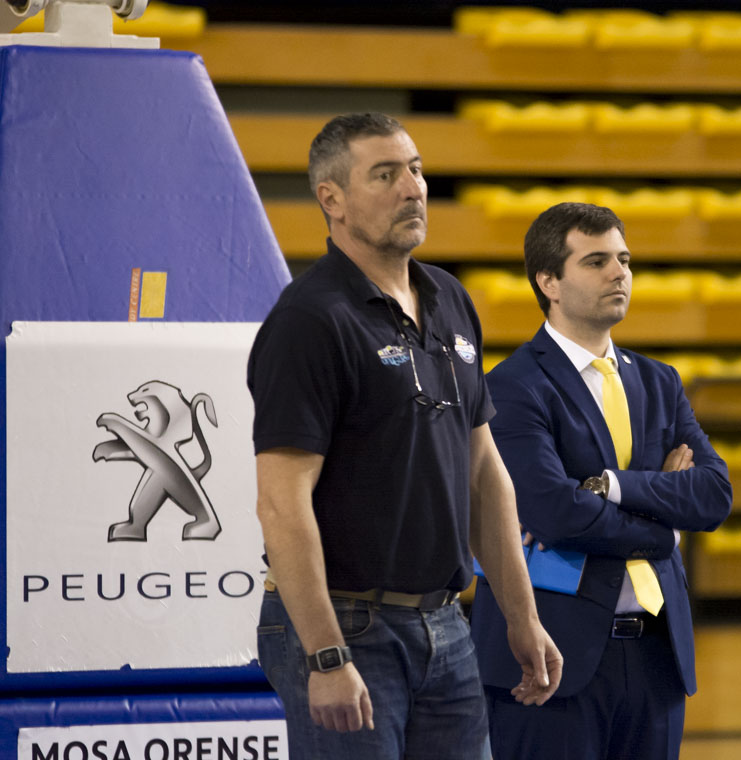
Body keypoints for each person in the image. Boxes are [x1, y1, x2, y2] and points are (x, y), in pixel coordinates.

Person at [247, 112, 562, 760]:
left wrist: (522, 616)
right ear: (332, 199)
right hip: (345, 627)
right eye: (385, 175)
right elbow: (281, 503)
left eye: (415, 170)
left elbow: (484, 474)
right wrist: (326, 654)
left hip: (445, 623)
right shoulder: (309, 320)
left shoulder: (451, 298)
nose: (412, 188)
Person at [470, 202, 733, 759]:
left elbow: (713, 495)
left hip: (658, 658)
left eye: (624, 259)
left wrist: (612, 487)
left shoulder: (661, 381)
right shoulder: (512, 385)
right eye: (596, 262)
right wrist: (665, 527)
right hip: (550, 659)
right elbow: (556, 513)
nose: (619, 273)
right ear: (549, 282)